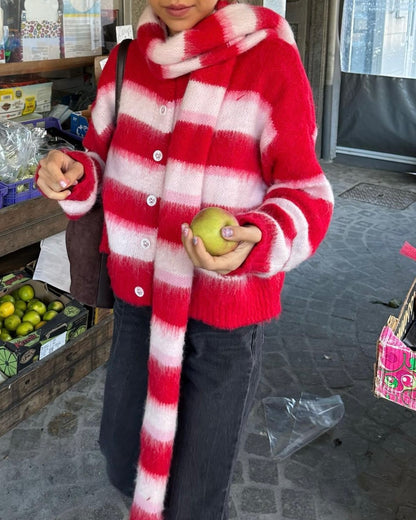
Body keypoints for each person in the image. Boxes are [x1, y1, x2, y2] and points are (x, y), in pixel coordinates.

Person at [35, 0, 334, 518]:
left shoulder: (270, 61)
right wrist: (74, 173)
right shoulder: (127, 64)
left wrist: (259, 237)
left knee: (195, 491)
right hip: (138, 308)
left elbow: (305, 191)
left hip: (222, 323)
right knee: (124, 459)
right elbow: (101, 159)